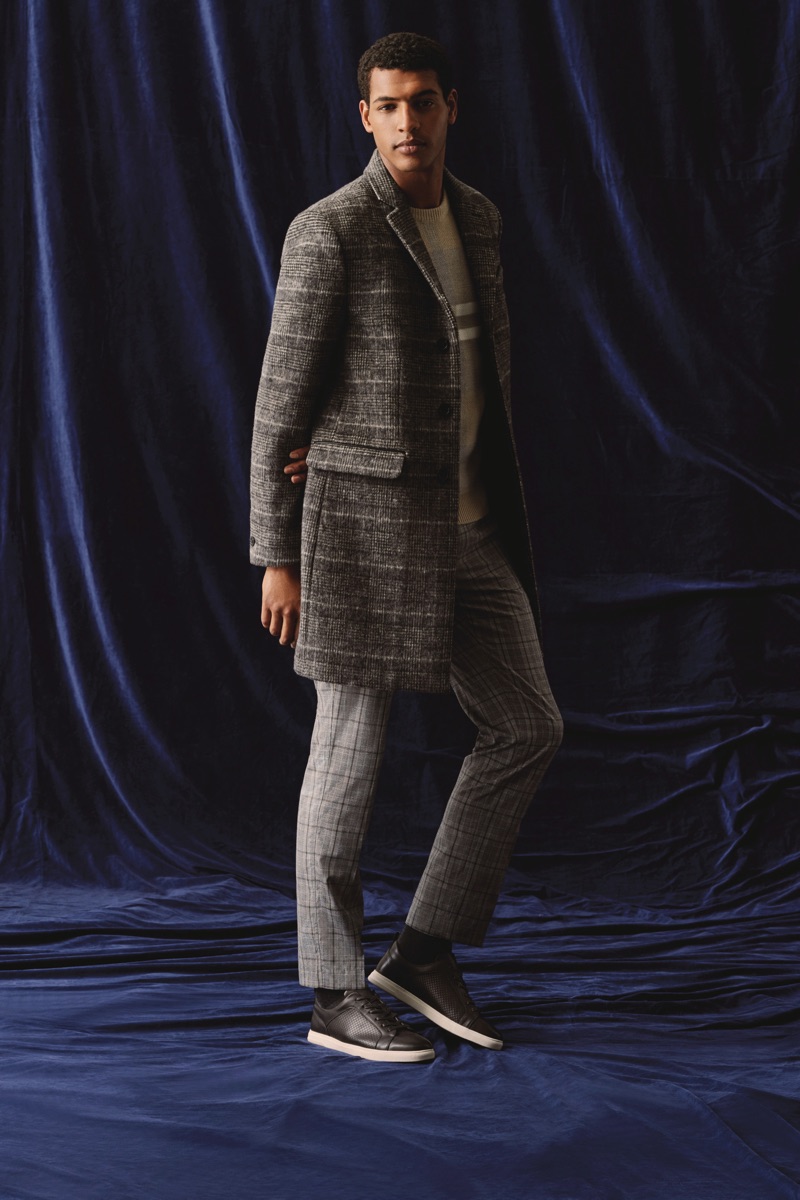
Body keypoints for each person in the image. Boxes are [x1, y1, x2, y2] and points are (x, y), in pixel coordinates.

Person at [250, 32, 563, 1063]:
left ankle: (422, 951)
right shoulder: (329, 231)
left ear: (449, 108)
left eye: (421, 101)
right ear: (364, 116)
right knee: (346, 754)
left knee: (526, 724)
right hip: (359, 534)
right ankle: (332, 991)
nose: (405, 121)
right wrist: (277, 554)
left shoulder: (479, 219)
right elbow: (279, 407)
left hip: (468, 530)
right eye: (386, 105)